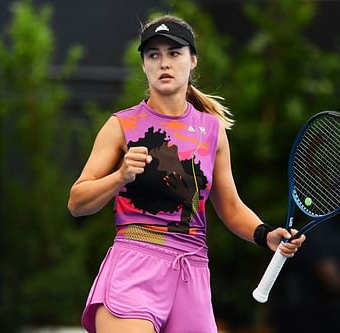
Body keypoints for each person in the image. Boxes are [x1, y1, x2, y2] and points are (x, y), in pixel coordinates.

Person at [67, 14, 306, 333]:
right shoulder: (121, 126)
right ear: (144, 65)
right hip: (134, 264)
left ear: (192, 60)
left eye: (174, 53)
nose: (164, 63)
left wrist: (265, 234)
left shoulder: (212, 130)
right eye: (154, 55)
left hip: (191, 272)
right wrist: (120, 176)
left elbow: (231, 208)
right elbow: (77, 202)